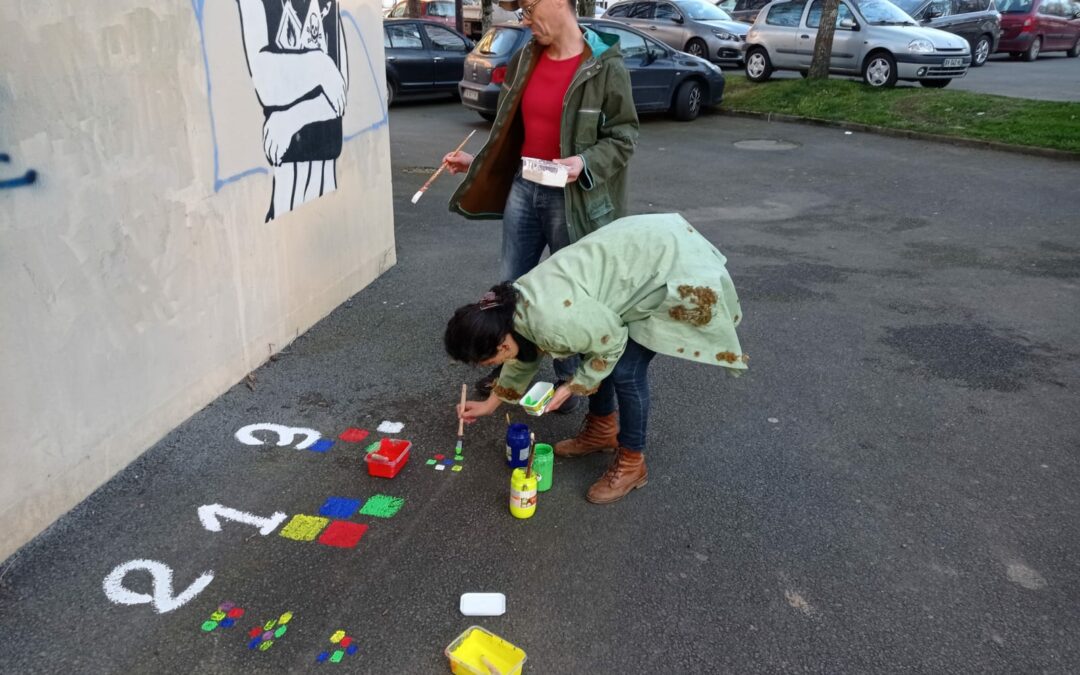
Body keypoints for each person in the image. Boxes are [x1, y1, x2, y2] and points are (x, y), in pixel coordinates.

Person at [445, 214, 748, 504]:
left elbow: (612, 340)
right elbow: (523, 355)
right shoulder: (509, 311)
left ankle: (632, 463)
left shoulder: (551, 322)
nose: (486, 368)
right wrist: (491, 403)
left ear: (499, 343)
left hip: (667, 261)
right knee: (595, 354)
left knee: (626, 371)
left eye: (485, 362)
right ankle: (602, 431)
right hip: (639, 253)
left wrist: (572, 386)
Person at [441, 0, 640, 403]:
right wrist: (476, 162)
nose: (524, 20)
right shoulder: (525, 58)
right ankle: (510, 364)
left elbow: (624, 138)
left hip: (572, 196)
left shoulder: (605, 66)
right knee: (512, 286)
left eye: (529, 9)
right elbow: (512, 134)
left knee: (570, 290)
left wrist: (583, 162)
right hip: (525, 186)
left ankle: (567, 377)